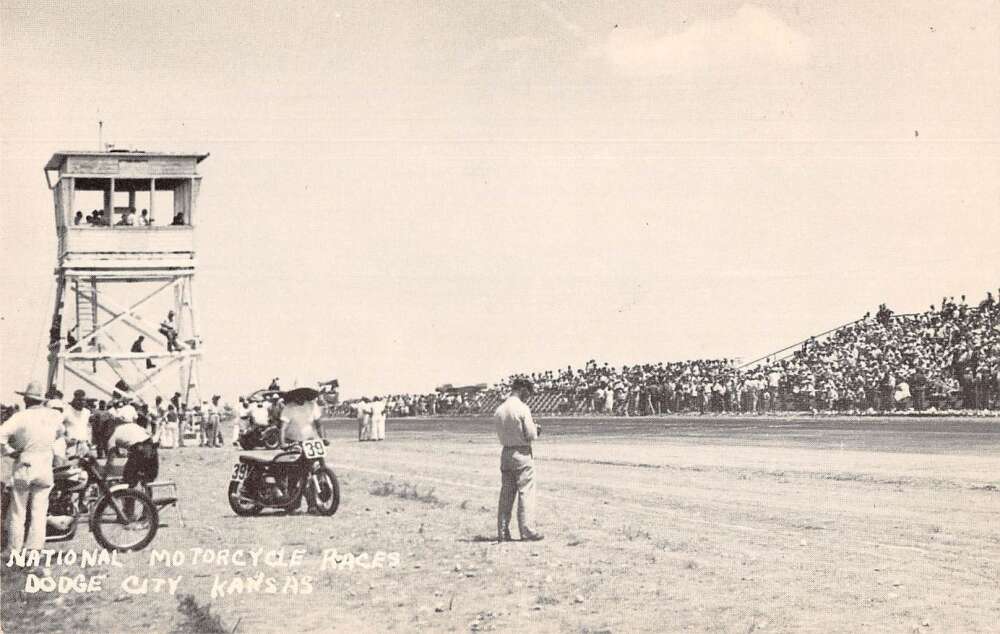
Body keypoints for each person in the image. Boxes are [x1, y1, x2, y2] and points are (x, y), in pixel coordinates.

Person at [0, 381, 65, 553]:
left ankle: (14, 550)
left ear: (26, 400)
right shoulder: (54, 416)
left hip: (25, 463)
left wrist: (10, 452)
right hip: (45, 465)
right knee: (39, 511)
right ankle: (34, 549)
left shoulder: (20, 417)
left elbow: (0, 437)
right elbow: (60, 433)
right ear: (42, 400)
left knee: (18, 511)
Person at [494, 378, 543, 542]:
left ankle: (502, 530)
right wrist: (537, 430)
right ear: (523, 390)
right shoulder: (522, 408)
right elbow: (530, 435)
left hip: (506, 452)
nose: (528, 396)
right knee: (525, 492)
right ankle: (527, 530)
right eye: (528, 392)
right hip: (521, 453)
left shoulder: (500, 409)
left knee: (506, 494)